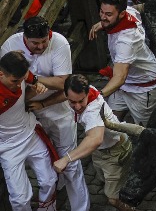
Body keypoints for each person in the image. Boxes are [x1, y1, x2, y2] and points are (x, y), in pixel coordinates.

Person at [0, 16, 90, 211]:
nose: (41, 46)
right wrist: (30, 85)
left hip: (57, 111)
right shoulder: (10, 45)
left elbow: (62, 83)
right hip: (27, 114)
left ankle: (81, 208)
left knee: (69, 161)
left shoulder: (59, 42)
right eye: (35, 43)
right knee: (44, 173)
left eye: (44, 41)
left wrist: (32, 79)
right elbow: (9, 78)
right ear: (24, 38)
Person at [53, 74, 134, 211]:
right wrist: (42, 104)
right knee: (103, 179)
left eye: (81, 101)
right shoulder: (85, 88)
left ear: (87, 93)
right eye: (72, 102)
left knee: (113, 198)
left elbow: (95, 139)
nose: (77, 106)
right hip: (100, 152)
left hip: (116, 152)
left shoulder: (92, 111)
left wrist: (66, 159)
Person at [89, 0, 156, 127]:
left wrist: (97, 95)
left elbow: (119, 78)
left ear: (122, 14)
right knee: (109, 119)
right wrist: (103, 23)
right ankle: (115, 145)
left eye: (108, 14)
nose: (102, 17)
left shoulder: (126, 41)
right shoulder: (130, 12)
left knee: (144, 131)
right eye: (101, 12)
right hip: (126, 85)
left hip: (144, 90)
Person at [0, 51, 57, 210]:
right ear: (1, 74)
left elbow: (30, 82)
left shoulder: (22, 74)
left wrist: (36, 86)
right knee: (20, 199)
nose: (19, 85)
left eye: (22, 80)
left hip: (30, 134)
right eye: (15, 81)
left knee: (49, 180)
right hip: (8, 147)